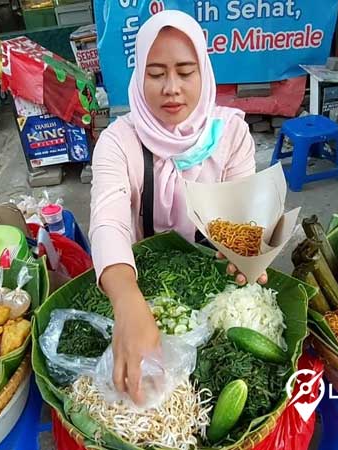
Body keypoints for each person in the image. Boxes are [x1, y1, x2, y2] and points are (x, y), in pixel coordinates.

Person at [89, 10, 266, 405]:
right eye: (156, 74)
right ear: (138, 77)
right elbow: (108, 221)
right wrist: (128, 305)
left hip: (210, 281)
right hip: (136, 283)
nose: (172, 88)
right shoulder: (119, 142)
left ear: (204, 73)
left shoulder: (231, 134)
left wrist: (250, 249)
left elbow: (245, 212)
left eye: (185, 72)